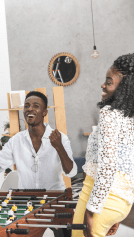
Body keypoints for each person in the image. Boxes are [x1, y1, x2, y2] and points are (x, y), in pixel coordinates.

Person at [0, 91, 77, 237]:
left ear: (44, 112)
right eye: (27, 106)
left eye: (36, 106)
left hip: (55, 200)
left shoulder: (59, 137)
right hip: (26, 201)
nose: (30, 109)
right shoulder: (16, 140)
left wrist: (59, 147)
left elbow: (71, 172)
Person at [72, 53, 134, 237]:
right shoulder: (130, 118)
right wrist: (117, 214)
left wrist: (91, 212)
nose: (103, 85)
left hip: (99, 199)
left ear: (123, 89)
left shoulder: (109, 113)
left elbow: (107, 167)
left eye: (109, 82)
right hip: (121, 201)